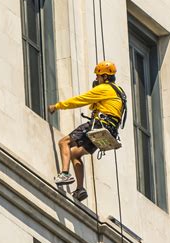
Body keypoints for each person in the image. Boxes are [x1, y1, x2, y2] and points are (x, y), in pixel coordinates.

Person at [48, 60, 126, 201]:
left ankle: (65, 173)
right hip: (109, 131)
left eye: (98, 76)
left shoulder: (103, 89)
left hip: (98, 125)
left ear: (105, 77)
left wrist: (57, 106)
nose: (97, 78)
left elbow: (80, 100)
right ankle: (80, 189)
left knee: (63, 142)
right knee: (74, 154)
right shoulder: (119, 91)